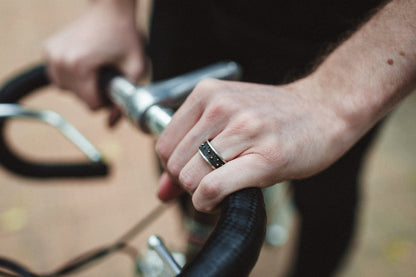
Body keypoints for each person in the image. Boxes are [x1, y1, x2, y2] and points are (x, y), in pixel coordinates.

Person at [44, 0, 416, 276]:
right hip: (190, 15)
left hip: (345, 31)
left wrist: (335, 98)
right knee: (184, 163)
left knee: (326, 192)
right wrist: (110, 9)